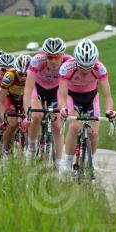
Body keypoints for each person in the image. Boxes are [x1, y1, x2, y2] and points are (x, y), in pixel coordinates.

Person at [58, 39, 116, 172]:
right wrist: (63, 108)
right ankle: (66, 163)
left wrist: (109, 110)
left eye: (88, 67)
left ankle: (91, 164)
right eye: (82, 67)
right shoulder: (66, 68)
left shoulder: (100, 68)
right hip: (72, 97)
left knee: (93, 132)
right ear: (76, 62)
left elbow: (107, 95)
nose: (85, 71)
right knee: (74, 126)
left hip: (91, 97)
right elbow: (62, 95)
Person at [24, 37, 72, 166]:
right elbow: (28, 90)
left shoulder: (69, 62)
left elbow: (70, 89)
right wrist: (27, 111)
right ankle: (32, 148)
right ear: (45, 56)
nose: (54, 61)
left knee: (57, 125)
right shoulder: (36, 61)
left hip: (55, 91)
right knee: (36, 116)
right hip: (38, 89)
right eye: (50, 57)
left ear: (62, 55)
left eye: (57, 57)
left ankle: (58, 164)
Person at [0, 54, 31, 159]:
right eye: (20, 74)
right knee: (12, 124)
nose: (24, 77)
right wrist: (3, 119)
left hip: (25, 99)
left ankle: (30, 150)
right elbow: (0, 101)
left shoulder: (34, 76)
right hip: (11, 99)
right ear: (15, 71)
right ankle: (6, 152)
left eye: (26, 74)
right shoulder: (9, 76)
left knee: (30, 122)